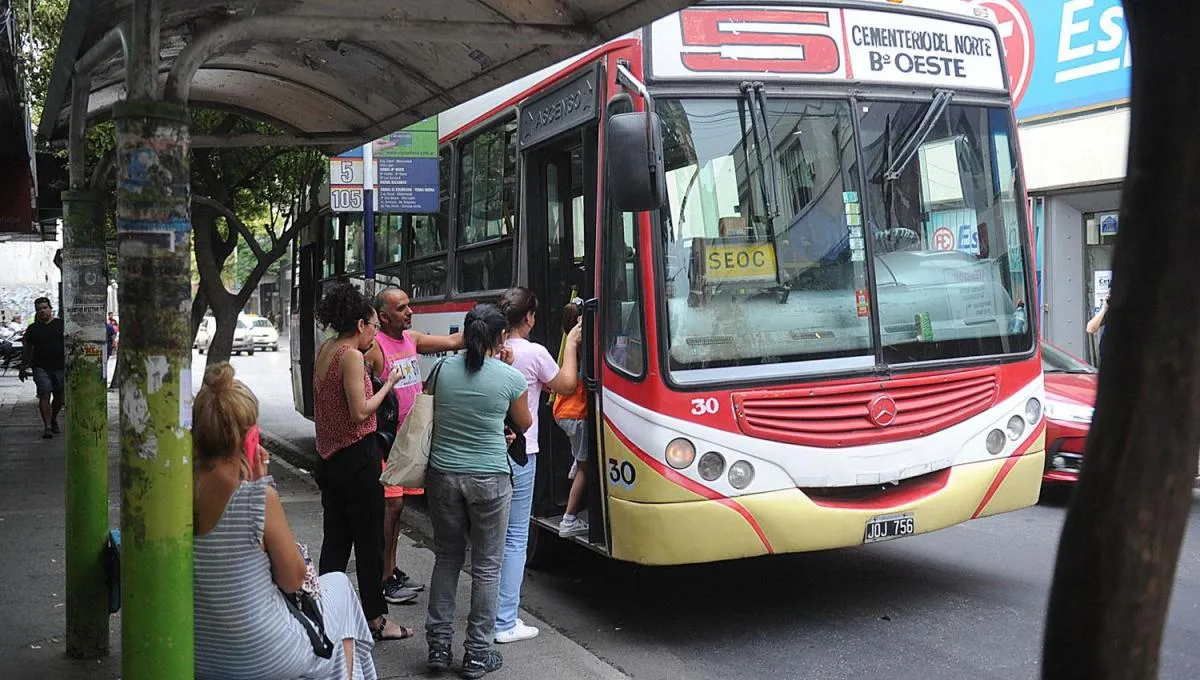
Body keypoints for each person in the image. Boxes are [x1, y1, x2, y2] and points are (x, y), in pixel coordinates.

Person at [192, 362, 378, 680]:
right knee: (340, 589)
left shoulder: (173, 491)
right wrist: (263, 483)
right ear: (248, 434)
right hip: (265, 653)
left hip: (202, 654)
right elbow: (293, 580)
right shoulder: (256, 497)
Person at [424, 303, 531, 678]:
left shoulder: (441, 370)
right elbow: (524, 421)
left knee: (447, 558)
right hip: (489, 478)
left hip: (443, 476)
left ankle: (438, 646)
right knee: (486, 567)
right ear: (501, 336)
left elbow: (429, 409)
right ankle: (476, 653)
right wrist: (505, 366)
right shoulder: (508, 377)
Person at [312, 281, 413, 642]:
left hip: (329, 458)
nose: (374, 333)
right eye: (372, 326)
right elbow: (360, 413)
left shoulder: (325, 349)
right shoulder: (351, 356)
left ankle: (325, 611)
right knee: (370, 541)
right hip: (357, 457)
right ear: (360, 325)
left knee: (336, 541)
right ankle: (376, 618)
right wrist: (388, 384)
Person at [493, 287, 582, 645]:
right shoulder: (533, 353)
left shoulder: (494, 351)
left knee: (490, 538)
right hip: (521, 453)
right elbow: (567, 383)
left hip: (488, 452)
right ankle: (504, 620)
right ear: (529, 318)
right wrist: (571, 344)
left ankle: (488, 613)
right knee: (515, 538)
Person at [365, 287, 464, 606]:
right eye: (402, 308)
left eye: (409, 306)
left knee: (397, 510)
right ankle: (382, 576)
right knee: (391, 509)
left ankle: (390, 569)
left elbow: (453, 342)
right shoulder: (375, 348)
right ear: (383, 316)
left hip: (409, 442)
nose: (410, 312)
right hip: (387, 443)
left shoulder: (412, 339)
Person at [554, 300, 590, 537]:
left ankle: (575, 465)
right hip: (577, 415)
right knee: (586, 469)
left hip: (563, 412)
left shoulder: (566, 345)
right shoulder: (579, 349)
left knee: (580, 457)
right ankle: (568, 520)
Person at [19, 297, 65, 439]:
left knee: (60, 397)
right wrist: (23, 366)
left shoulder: (61, 324)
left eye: (45, 308)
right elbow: (27, 348)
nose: (42, 311)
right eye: (39, 309)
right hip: (40, 367)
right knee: (44, 394)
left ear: (51, 309)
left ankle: (53, 417)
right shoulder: (33, 329)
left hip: (60, 366)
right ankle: (48, 427)